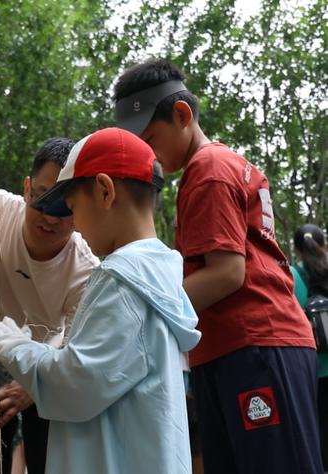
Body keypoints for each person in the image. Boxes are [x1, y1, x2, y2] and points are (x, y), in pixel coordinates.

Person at [114, 58, 321, 473]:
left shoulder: (208, 170)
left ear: (182, 115)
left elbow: (228, 273)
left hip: (255, 344)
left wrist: (139, 309)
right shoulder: (218, 166)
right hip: (232, 347)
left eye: (151, 139)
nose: (150, 156)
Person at [0, 127, 201, 473]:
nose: (74, 225)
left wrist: (15, 346)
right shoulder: (154, 275)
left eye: (71, 208)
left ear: (104, 191)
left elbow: (76, 383)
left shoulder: (121, 280)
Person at [0, 138, 99, 474]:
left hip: (43, 359)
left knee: (47, 445)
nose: (49, 217)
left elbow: (73, 348)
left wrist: (33, 383)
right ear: (27, 188)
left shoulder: (86, 271)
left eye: (63, 207)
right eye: (41, 198)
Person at [291, 224, 328, 470]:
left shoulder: (292, 275)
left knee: (320, 428)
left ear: (296, 250)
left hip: (313, 368)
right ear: (323, 244)